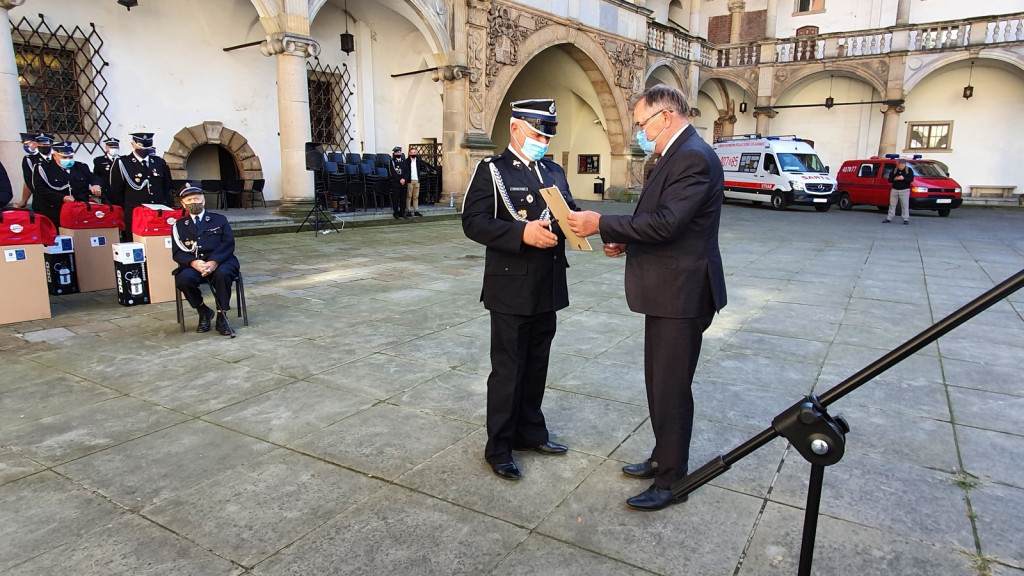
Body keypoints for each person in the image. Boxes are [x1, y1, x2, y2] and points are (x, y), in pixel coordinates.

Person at [567, 84, 727, 511]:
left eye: (641, 123)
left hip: (684, 291)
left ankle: (673, 481)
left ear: (667, 116)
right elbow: (655, 221)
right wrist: (625, 242)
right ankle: (663, 456)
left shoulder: (692, 156)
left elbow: (669, 224)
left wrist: (603, 224)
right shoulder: (671, 154)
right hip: (666, 288)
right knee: (658, 382)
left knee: (672, 388)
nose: (639, 131)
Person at [462, 98, 577, 481]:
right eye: (536, 133)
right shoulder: (491, 170)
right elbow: (473, 223)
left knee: (537, 366)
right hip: (511, 287)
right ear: (515, 129)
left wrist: (589, 231)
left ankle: (531, 433)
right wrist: (520, 232)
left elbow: (569, 214)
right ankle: (499, 447)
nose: (542, 140)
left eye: (547, 134)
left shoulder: (554, 171)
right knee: (508, 370)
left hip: (548, 284)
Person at [171, 185, 241, 338]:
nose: (193, 202)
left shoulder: (219, 219)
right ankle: (203, 310)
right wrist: (194, 263)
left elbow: (228, 244)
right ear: (183, 204)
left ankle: (222, 315)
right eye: (189, 200)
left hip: (221, 261)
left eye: (196, 198)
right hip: (194, 264)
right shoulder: (179, 226)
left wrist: (214, 262)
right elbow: (177, 253)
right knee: (183, 279)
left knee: (223, 274)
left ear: (203, 200)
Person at [109, 132, 173, 238]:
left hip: (158, 212)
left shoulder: (159, 162)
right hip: (135, 214)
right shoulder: (123, 163)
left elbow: (166, 187)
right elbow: (117, 190)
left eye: (147, 147)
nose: (144, 150)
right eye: (141, 147)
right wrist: (126, 209)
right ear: (133, 144)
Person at [31, 141, 102, 226]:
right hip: (55, 211)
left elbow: (94, 177)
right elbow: (40, 189)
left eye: (70, 157)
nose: (68, 160)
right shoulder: (43, 168)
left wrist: (96, 185)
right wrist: (62, 198)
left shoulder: (81, 167)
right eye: (64, 157)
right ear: (54, 156)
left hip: (79, 210)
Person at [400, 146, 435, 217]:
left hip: (417, 180)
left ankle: (416, 210)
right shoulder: (406, 162)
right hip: (410, 180)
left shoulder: (418, 160)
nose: (413, 153)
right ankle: (408, 210)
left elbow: (424, 165)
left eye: (415, 152)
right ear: (409, 153)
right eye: (412, 152)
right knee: (409, 196)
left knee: (416, 196)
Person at [15, 132, 40, 209]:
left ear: (35, 144)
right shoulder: (30, 158)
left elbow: (30, 181)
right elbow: (28, 181)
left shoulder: (33, 159)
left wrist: (23, 201)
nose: (25, 147)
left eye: (27, 144)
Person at [884, 157, 912, 225]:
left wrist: (903, 178)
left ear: (905, 164)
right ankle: (889, 218)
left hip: (904, 190)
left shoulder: (909, 170)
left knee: (904, 205)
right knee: (892, 204)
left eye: (902, 165)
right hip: (895, 189)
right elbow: (889, 179)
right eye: (899, 165)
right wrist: (895, 179)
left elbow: (911, 179)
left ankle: (905, 219)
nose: (900, 167)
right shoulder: (894, 170)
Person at [389, 146, 407, 219]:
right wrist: (400, 179)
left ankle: (402, 213)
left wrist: (404, 179)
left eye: (399, 152)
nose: (398, 153)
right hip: (396, 183)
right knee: (396, 199)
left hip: (404, 183)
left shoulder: (404, 161)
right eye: (397, 152)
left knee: (403, 199)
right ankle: (396, 212)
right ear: (394, 153)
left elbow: (407, 171)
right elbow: (393, 172)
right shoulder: (392, 161)